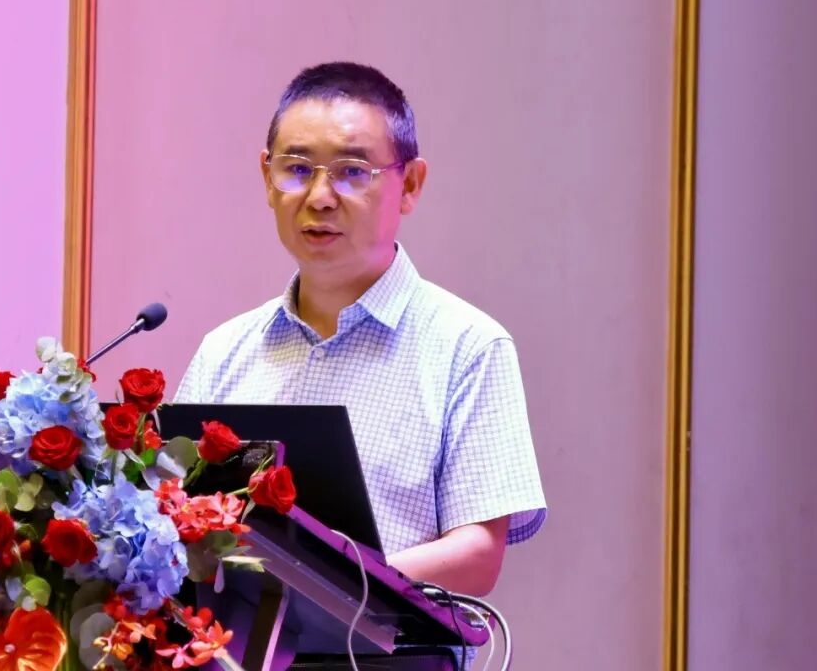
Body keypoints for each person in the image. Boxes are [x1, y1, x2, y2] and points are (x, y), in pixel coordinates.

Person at [174, 60, 546, 607]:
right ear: (266, 177)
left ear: (410, 184)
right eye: (297, 169)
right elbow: (176, 514)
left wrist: (319, 583)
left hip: (392, 646)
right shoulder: (225, 350)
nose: (320, 197)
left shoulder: (468, 346)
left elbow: (477, 557)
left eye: (351, 172)